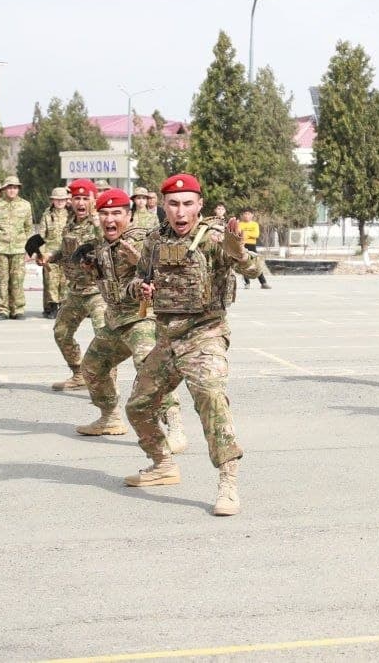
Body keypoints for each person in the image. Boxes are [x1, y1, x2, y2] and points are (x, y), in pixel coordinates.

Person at [123, 173, 263, 516]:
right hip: (167, 338)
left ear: (199, 205)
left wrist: (239, 252)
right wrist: (140, 288)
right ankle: (162, 464)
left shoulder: (215, 238)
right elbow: (137, 280)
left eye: (187, 204)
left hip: (205, 334)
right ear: (164, 206)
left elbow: (255, 269)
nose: (180, 211)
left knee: (211, 398)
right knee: (138, 407)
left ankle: (228, 482)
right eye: (173, 204)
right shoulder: (155, 240)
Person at [70, 188, 187, 451]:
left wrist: (142, 262)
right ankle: (110, 417)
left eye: (116, 213)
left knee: (151, 369)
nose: (110, 219)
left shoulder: (143, 240)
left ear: (128, 215)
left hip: (142, 319)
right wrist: (89, 267)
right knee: (92, 367)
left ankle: (175, 426)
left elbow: (170, 270)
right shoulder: (101, 246)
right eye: (104, 214)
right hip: (115, 322)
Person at [46, 179, 116, 390]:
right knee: (61, 332)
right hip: (76, 290)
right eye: (77, 198)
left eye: (85, 198)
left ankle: (108, 383)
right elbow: (66, 250)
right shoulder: (70, 223)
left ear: (93, 200)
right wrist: (51, 256)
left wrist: (96, 222)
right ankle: (79, 374)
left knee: (104, 336)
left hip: (97, 290)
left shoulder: (100, 223)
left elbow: (109, 245)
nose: (81, 202)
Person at [0, 175, 34, 319]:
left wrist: (30, 251)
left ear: (18, 189)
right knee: (2, 281)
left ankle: (18, 309)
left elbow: (29, 229)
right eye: (9, 188)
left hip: (19, 249)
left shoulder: (25, 205)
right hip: (1, 248)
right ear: (4, 189)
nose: (12, 190)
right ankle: (3, 310)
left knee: (18, 281)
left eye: (15, 188)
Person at [39, 187, 71, 318]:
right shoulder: (47, 215)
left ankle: (62, 307)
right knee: (51, 281)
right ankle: (52, 307)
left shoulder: (71, 215)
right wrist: (40, 254)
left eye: (62, 200)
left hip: (66, 253)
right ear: (52, 200)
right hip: (50, 254)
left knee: (65, 282)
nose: (60, 202)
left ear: (66, 200)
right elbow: (41, 236)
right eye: (57, 200)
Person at [237, 208, 271, 290]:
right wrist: (247, 234)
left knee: (256, 264)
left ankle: (263, 283)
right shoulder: (239, 224)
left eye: (248, 214)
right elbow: (237, 233)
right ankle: (247, 283)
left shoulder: (254, 224)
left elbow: (256, 234)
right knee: (244, 264)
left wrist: (245, 233)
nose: (247, 216)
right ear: (242, 215)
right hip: (242, 245)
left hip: (252, 245)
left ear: (252, 215)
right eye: (245, 214)